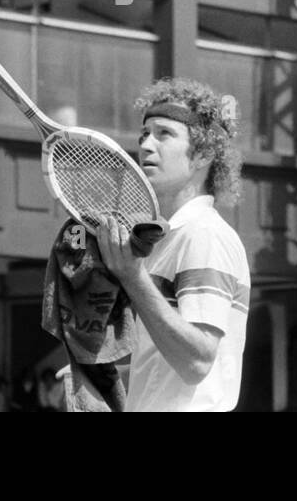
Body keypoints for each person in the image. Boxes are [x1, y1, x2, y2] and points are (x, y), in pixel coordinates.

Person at [95, 77, 250, 412]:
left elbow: (196, 362)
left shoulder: (203, 235)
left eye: (164, 134)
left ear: (203, 154)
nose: (147, 145)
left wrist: (133, 279)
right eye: (145, 134)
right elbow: (168, 372)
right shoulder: (172, 237)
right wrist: (104, 379)